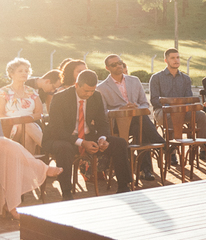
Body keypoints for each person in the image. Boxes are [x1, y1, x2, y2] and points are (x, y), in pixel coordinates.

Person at [44, 70, 132, 200]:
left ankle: (124, 187)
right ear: (76, 85)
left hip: (88, 136)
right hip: (62, 138)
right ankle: (67, 193)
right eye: (86, 91)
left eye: (92, 91)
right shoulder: (60, 98)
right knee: (65, 148)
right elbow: (56, 129)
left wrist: (103, 139)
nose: (89, 94)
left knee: (120, 143)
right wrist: (81, 142)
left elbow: (102, 122)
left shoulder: (96, 96)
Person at [97, 54, 166, 183]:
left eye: (120, 63)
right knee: (142, 124)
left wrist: (136, 107)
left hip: (137, 121)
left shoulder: (134, 80)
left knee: (141, 126)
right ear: (107, 68)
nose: (118, 66)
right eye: (114, 64)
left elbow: (145, 104)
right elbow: (103, 113)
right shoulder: (101, 88)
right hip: (117, 124)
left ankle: (145, 169)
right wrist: (121, 110)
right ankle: (161, 146)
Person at [1, 57, 44, 152]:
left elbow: (39, 113)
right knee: (25, 124)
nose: (24, 73)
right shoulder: (4, 92)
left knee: (27, 130)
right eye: (20, 71)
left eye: (26, 71)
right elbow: (1, 114)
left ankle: (28, 164)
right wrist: (18, 121)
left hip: (30, 125)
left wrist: (26, 120)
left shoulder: (31, 91)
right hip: (10, 127)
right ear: (11, 74)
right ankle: (47, 147)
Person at [149, 49, 195, 126]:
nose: (176, 60)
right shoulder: (156, 77)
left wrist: (181, 108)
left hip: (183, 110)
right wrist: (171, 108)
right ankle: (173, 138)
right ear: (166, 60)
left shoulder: (186, 78)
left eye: (178, 57)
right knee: (171, 117)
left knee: (201, 115)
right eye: (172, 58)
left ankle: (201, 138)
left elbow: (189, 98)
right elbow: (154, 100)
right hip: (162, 111)